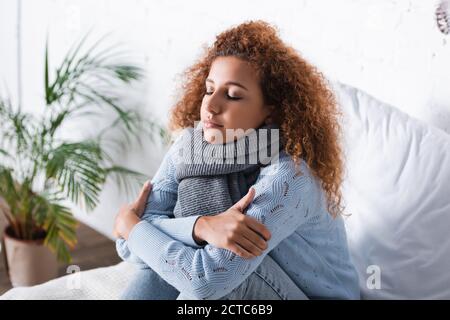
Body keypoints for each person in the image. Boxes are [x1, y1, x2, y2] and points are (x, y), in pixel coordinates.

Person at [113, 20, 360, 300]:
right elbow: (130, 249)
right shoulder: (189, 149)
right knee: (163, 264)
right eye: (209, 89)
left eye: (232, 95)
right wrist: (200, 227)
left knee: (220, 276)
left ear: (271, 111)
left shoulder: (290, 176)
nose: (211, 105)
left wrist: (130, 223)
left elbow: (204, 282)